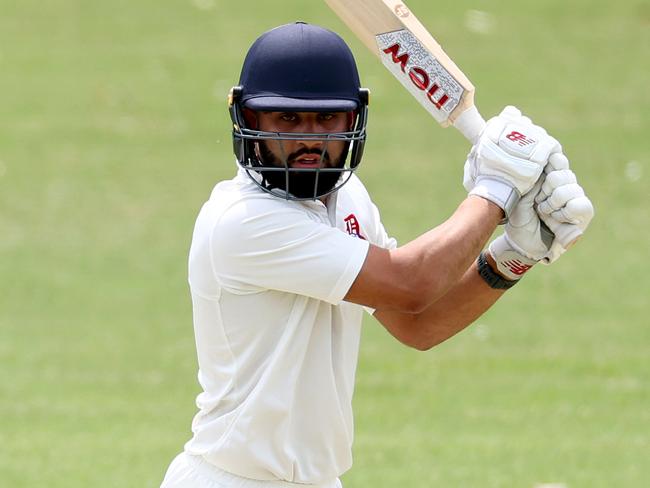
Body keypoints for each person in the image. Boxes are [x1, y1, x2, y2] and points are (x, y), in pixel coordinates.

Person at [160, 22, 594, 488]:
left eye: (327, 119)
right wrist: (497, 189)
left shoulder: (347, 200)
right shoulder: (243, 221)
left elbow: (417, 322)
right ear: (249, 120)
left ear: (354, 119)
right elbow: (411, 284)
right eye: (287, 119)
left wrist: (515, 253)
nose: (310, 139)